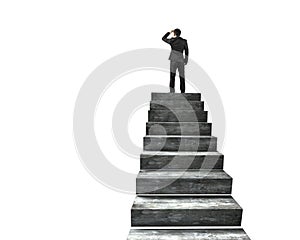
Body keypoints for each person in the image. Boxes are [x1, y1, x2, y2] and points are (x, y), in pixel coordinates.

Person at [162, 29, 189, 93]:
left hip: (173, 60)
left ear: (174, 33)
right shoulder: (184, 41)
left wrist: (169, 32)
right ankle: (183, 92)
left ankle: (172, 91)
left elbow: (163, 38)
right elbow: (186, 51)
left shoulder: (172, 40)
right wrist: (186, 60)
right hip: (181, 60)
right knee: (182, 76)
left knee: (172, 76)